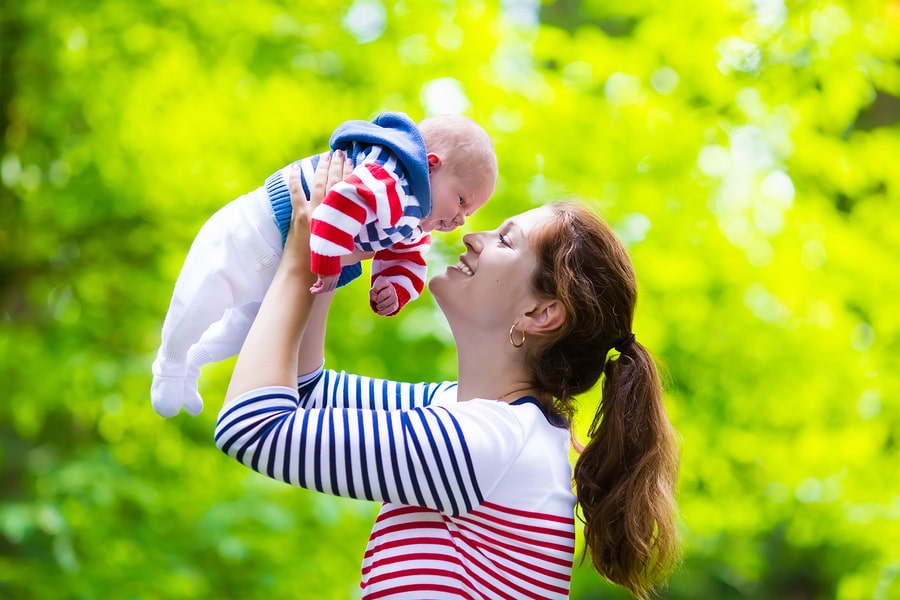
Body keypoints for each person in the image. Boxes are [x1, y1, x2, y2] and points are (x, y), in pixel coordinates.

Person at [214, 155, 680, 599]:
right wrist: (332, 254)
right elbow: (306, 391)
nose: (473, 237)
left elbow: (251, 427)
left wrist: (300, 260)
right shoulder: (462, 411)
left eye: (505, 240)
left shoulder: (487, 442)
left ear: (541, 312)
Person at [151, 112, 497, 418]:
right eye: (461, 200)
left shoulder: (414, 219)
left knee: (244, 332)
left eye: (469, 213)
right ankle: (170, 364)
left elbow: (409, 257)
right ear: (432, 165)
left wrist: (393, 289)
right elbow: (338, 205)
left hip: (280, 269)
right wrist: (329, 264)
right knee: (199, 301)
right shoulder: (387, 176)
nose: (460, 219)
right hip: (252, 234)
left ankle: (194, 362)